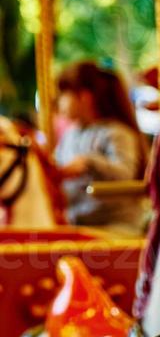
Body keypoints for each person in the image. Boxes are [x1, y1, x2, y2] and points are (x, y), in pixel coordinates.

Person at [53, 61, 146, 233]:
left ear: (84, 96)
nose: (59, 101)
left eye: (64, 94)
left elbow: (125, 173)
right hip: (76, 223)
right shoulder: (70, 135)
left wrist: (89, 163)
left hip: (115, 225)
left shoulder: (117, 133)